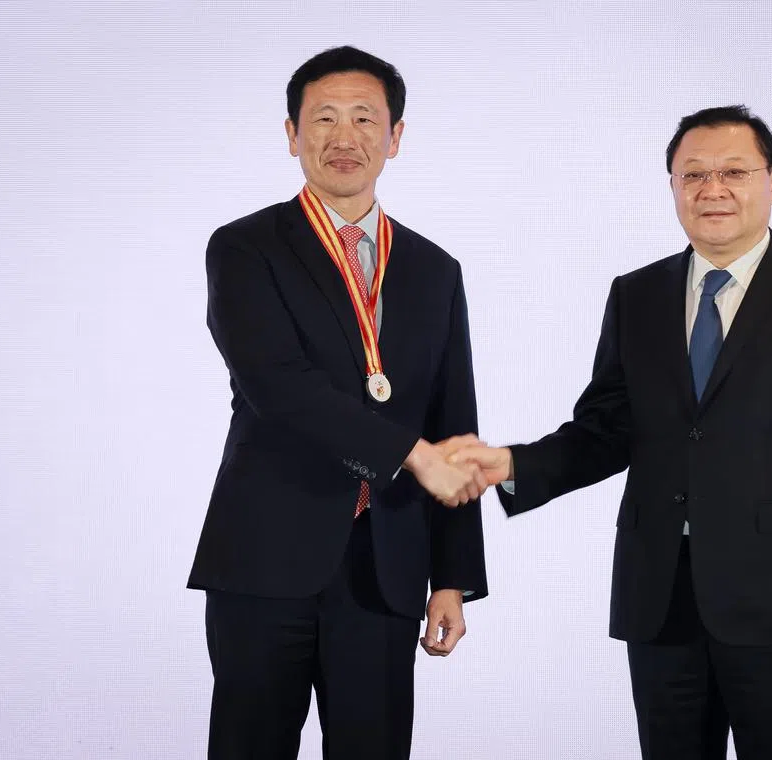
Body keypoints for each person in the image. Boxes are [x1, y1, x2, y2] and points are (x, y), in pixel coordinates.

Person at [453, 105, 772, 760]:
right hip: (659, 595)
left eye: (734, 172)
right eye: (694, 175)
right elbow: (606, 430)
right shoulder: (637, 295)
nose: (712, 190)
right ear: (673, 188)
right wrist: (508, 464)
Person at [187, 46, 488, 760]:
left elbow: (454, 422)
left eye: (364, 118)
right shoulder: (245, 248)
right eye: (323, 118)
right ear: (292, 134)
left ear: (396, 136)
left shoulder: (433, 268)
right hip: (265, 559)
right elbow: (277, 385)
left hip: (385, 566)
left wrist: (454, 577)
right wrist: (407, 453)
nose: (343, 137)